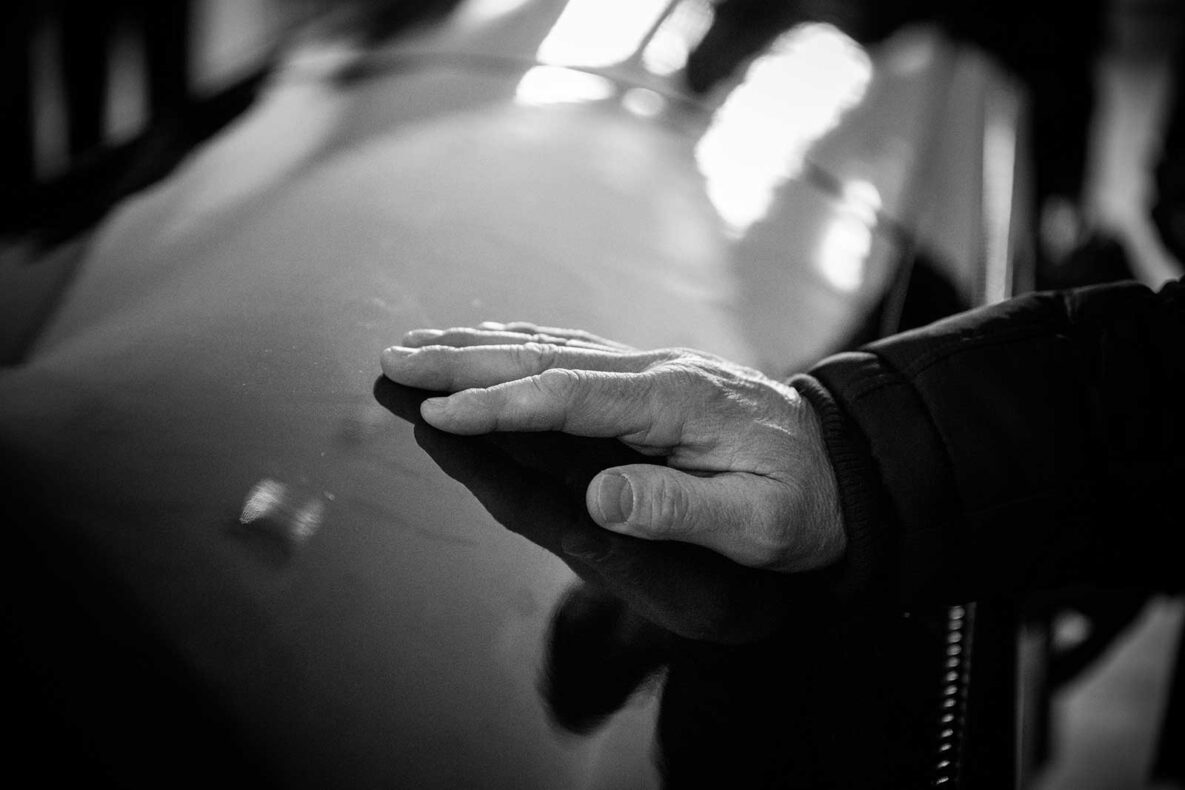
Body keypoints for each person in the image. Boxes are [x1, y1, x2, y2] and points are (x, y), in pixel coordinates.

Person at [381, 275, 1185, 781]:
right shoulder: (715, 720)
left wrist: (851, 451)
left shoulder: (714, 724)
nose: (594, 570)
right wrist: (851, 448)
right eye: (592, 603)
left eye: (589, 597)